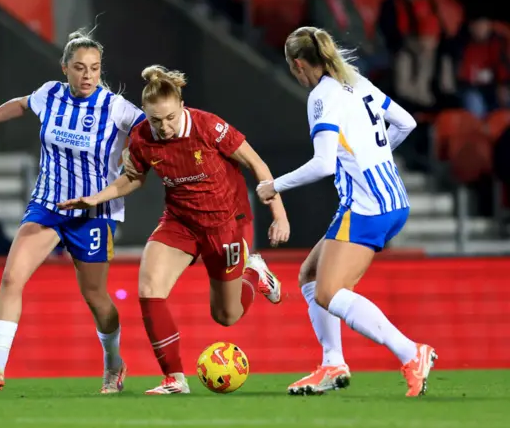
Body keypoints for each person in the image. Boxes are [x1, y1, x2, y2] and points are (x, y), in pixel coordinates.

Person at [58, 64, 291, 395]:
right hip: (179, 222)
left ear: (181, 105)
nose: (163, 127)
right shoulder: (142, 139)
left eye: (169, 118)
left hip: (227, 224)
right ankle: (174, 378)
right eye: (155, 120)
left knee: (226, 316)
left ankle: (255, 274)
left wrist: (279, 214)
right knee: (149, 286)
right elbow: (133, 178)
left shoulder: (209, 127)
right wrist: (95, 198)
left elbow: (257, 164)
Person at [0, 28, 145, 393]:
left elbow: (150, 129)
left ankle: (113, 362)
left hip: (93, 212)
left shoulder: (115, 107)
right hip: (48, 205)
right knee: (11, 278)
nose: (87, 75)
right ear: (64, 69)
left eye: (94, 68)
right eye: (79, 67)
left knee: (96, 297)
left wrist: (135, 156)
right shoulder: (50, 94)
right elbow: (23, 104)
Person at [256, 26, 436, 397]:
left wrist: (274, 185)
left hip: (367, 205)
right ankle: (332, 363)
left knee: (328, 291)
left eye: (293, 68)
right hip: (390, 199)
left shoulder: (322, 96)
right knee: (309, 275)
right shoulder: (358, 82)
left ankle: (410, 352)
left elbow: (323, 164)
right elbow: (407, 122)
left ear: (299, 63)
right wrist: (378, 156)